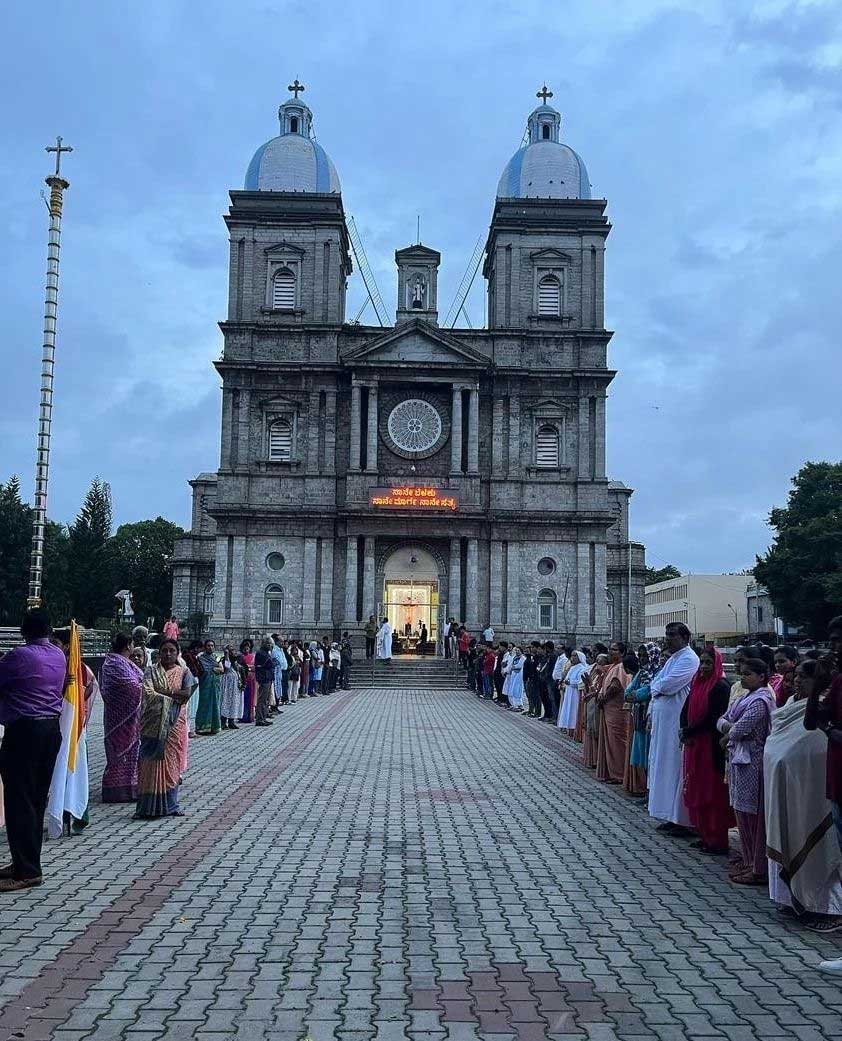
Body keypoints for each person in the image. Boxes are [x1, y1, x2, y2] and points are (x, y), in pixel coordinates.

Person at [766, 659, 842, 930]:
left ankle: (830, 910)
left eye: (804, 677)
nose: (797, 681)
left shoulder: (825, 707)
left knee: (823, 847)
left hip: (813, 794)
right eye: (795, 675)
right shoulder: (791, 705)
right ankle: (793, 899)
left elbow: (816, 747)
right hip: (789, 790)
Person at [0, 609, 67, 892]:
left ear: (23, 631)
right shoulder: (59, 655)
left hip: (24, 732)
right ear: (49, 630)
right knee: (36, 799)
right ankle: (25, 861)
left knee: (19, 800)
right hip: (50, 730)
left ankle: (27, 870)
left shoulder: (19, 656)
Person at [805, 617, 842, 973]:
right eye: (830, 640)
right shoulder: (838, 681)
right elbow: (811, 720)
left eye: (838, 639)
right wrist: (818, 683)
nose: (833, 646)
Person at [718, 657, 776, 885]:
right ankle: (748, 859)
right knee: (741, 812)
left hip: (753, 761)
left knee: (753, 816)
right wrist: (730, 730)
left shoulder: (761, 700)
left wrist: (729, 732)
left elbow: (741, 728)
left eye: (748, 674)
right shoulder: (744, 698)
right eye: (742, 673)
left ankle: (757, 866)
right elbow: (723, 720)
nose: (743, 678)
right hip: (739, 759)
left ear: (762, 676)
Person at [647, 623, 699, 834]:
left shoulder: (689, 659)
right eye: (667, 635)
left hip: (675, 721)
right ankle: (668, 814)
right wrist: (657, 688)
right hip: (663, 723)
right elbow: (656, 683)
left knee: (676, 767)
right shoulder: (672, 659)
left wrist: (657, 688)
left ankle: (682, 819)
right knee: (663, 766)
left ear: (685, 637)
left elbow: (667, 685)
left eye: (672, 635)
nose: (668, 638)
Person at [134, 639, 195, 820]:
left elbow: (186, 694)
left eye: (171, 651)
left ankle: (171, 805)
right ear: (159, 653)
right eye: (165, 651)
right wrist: (173, 695)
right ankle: (145, 808)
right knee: (148, 764)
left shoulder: (184, 672)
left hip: (175, 723)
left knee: (171, 764)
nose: (168, 654)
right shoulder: (151, 671)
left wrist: (163, 692)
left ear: (177, 653)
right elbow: (148, 693)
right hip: (152, 724)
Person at [680, 648, 733, 855]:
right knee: (697, 788)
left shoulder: (720, 686)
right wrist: (684, 729)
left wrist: (690, 730)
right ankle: (704, 835)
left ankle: (717, 839)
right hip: (695, 745)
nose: (703, 667)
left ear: (716, 664)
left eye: (708, 663)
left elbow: (712, 718)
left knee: (713, 793)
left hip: (710, 747)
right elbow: (686, 709)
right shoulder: (697, 683)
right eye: (701, 662)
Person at [100, 632, 145, 803]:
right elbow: (131, 687)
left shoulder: (120, 662)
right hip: (120, 718)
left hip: (130, 717)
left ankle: (132, 787)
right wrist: (145, 687)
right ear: (128, 645)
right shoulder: (115, 663)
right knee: (119, 752)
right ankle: (117, 790)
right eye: (132, 644)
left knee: (133, 753)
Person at [624, 643, 660, 790]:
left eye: (646, 655)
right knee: (642, 757)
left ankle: (652, 792)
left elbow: (651, 690)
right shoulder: (641, 673)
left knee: (651, 756)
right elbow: (628, 692)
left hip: (650, 719)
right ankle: (646, 791)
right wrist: (636, 695)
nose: (643, 658)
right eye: (641, 655)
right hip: (639, 718)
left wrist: (638, 695)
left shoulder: (658, 672)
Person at [596, 644, 632, 785]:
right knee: (610, 741)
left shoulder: (621, 667)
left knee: (617, 742)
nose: (611, 652)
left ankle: (620, 774)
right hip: (609, 708)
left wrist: (604, 699)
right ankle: (612, 771)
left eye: (615, 650)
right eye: (610, 649)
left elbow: (616, 686)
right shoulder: (613, 666)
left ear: (622, 653)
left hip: (616, 710)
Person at [582, 655, 608, 768]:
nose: (598, 665)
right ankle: (590, 758)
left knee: (596, 730)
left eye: (600, 663)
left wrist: (590, 685)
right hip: (590, 704)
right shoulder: (595, 673)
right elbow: (590, 688)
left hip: (597, 706)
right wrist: (587, 684)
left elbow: (599, 691)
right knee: (590, 729)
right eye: (597, 662)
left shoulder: (604, 675)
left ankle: (597, 760)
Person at [195, 640, 223, 735]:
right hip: (205, 684)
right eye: (208, 645)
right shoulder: (200, 658)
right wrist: (214, 669)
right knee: (204, 704)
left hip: (215, 684)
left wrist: (214, 669)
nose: (210, 647)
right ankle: (202, 727)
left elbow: (222, 669)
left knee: (215, 704)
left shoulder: (216, 657)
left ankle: (214, 727)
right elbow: (200, 670)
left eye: (212, 645)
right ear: (204, 647)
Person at [558, 651, 587, 733]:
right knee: (568, 709)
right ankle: (568, 727)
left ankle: (574, 728)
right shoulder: (572, 667)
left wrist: (570, 682)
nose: (572, 658)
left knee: (574, 710)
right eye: (572, 656)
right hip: (569, 691)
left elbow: (580, 682)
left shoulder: (582, 668)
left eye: (575, 656)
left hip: (575, 693)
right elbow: (567, 678)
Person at [219, 647, 243, 730]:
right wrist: (226, 655)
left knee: (234, 702)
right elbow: (227, 666)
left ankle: (231, 721)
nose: (234, 652)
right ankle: (223, 722)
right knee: (226, 701)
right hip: (227, 685)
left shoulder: (236, 661)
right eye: (231, 650)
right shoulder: (224, 660)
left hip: (235, 685)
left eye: (234, 650)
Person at [254, 637, 275, 725]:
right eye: (268, 644)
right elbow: (269, 664)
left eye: (270, 644)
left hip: (268, 677)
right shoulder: (261, 653)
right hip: (264, 678)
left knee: (266, 699)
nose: (270, 646)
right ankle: (260, 719)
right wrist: (272, 662)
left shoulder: (266, 653)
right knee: (262, 699)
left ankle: (263, 716)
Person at [238, 639, 256, 722]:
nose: (246, 650)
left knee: (250, 699)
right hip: (243, 680)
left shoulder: (253, 656)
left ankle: (250, 716)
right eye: (244, 648)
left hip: (251, 680)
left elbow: (255, 667)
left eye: (247, 648)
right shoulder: (240, 657)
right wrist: (248, 668)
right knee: (243, 699)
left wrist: (248, 668)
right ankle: (243, 716)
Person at [506, 647, 526, 712]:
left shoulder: (523, 658)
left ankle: (519, 705)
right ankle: (514, 705)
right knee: (512, 690)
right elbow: (511, 665)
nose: (517, 651)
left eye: (518, 650)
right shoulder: (514, 658)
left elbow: (519, 665)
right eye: (516, 650)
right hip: (513, 675)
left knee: (517, 691)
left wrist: (513, 667)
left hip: (519, 676)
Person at [271, 634, 288, 707]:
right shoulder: (275, 650)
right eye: (281, 641)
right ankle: (274, 705)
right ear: (277, 642)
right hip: (278, 672)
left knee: (281, 688)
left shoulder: (281, 650)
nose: (283, 643)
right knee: (277, 688)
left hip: (283, 671)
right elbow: (277, 661)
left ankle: (278, 704)